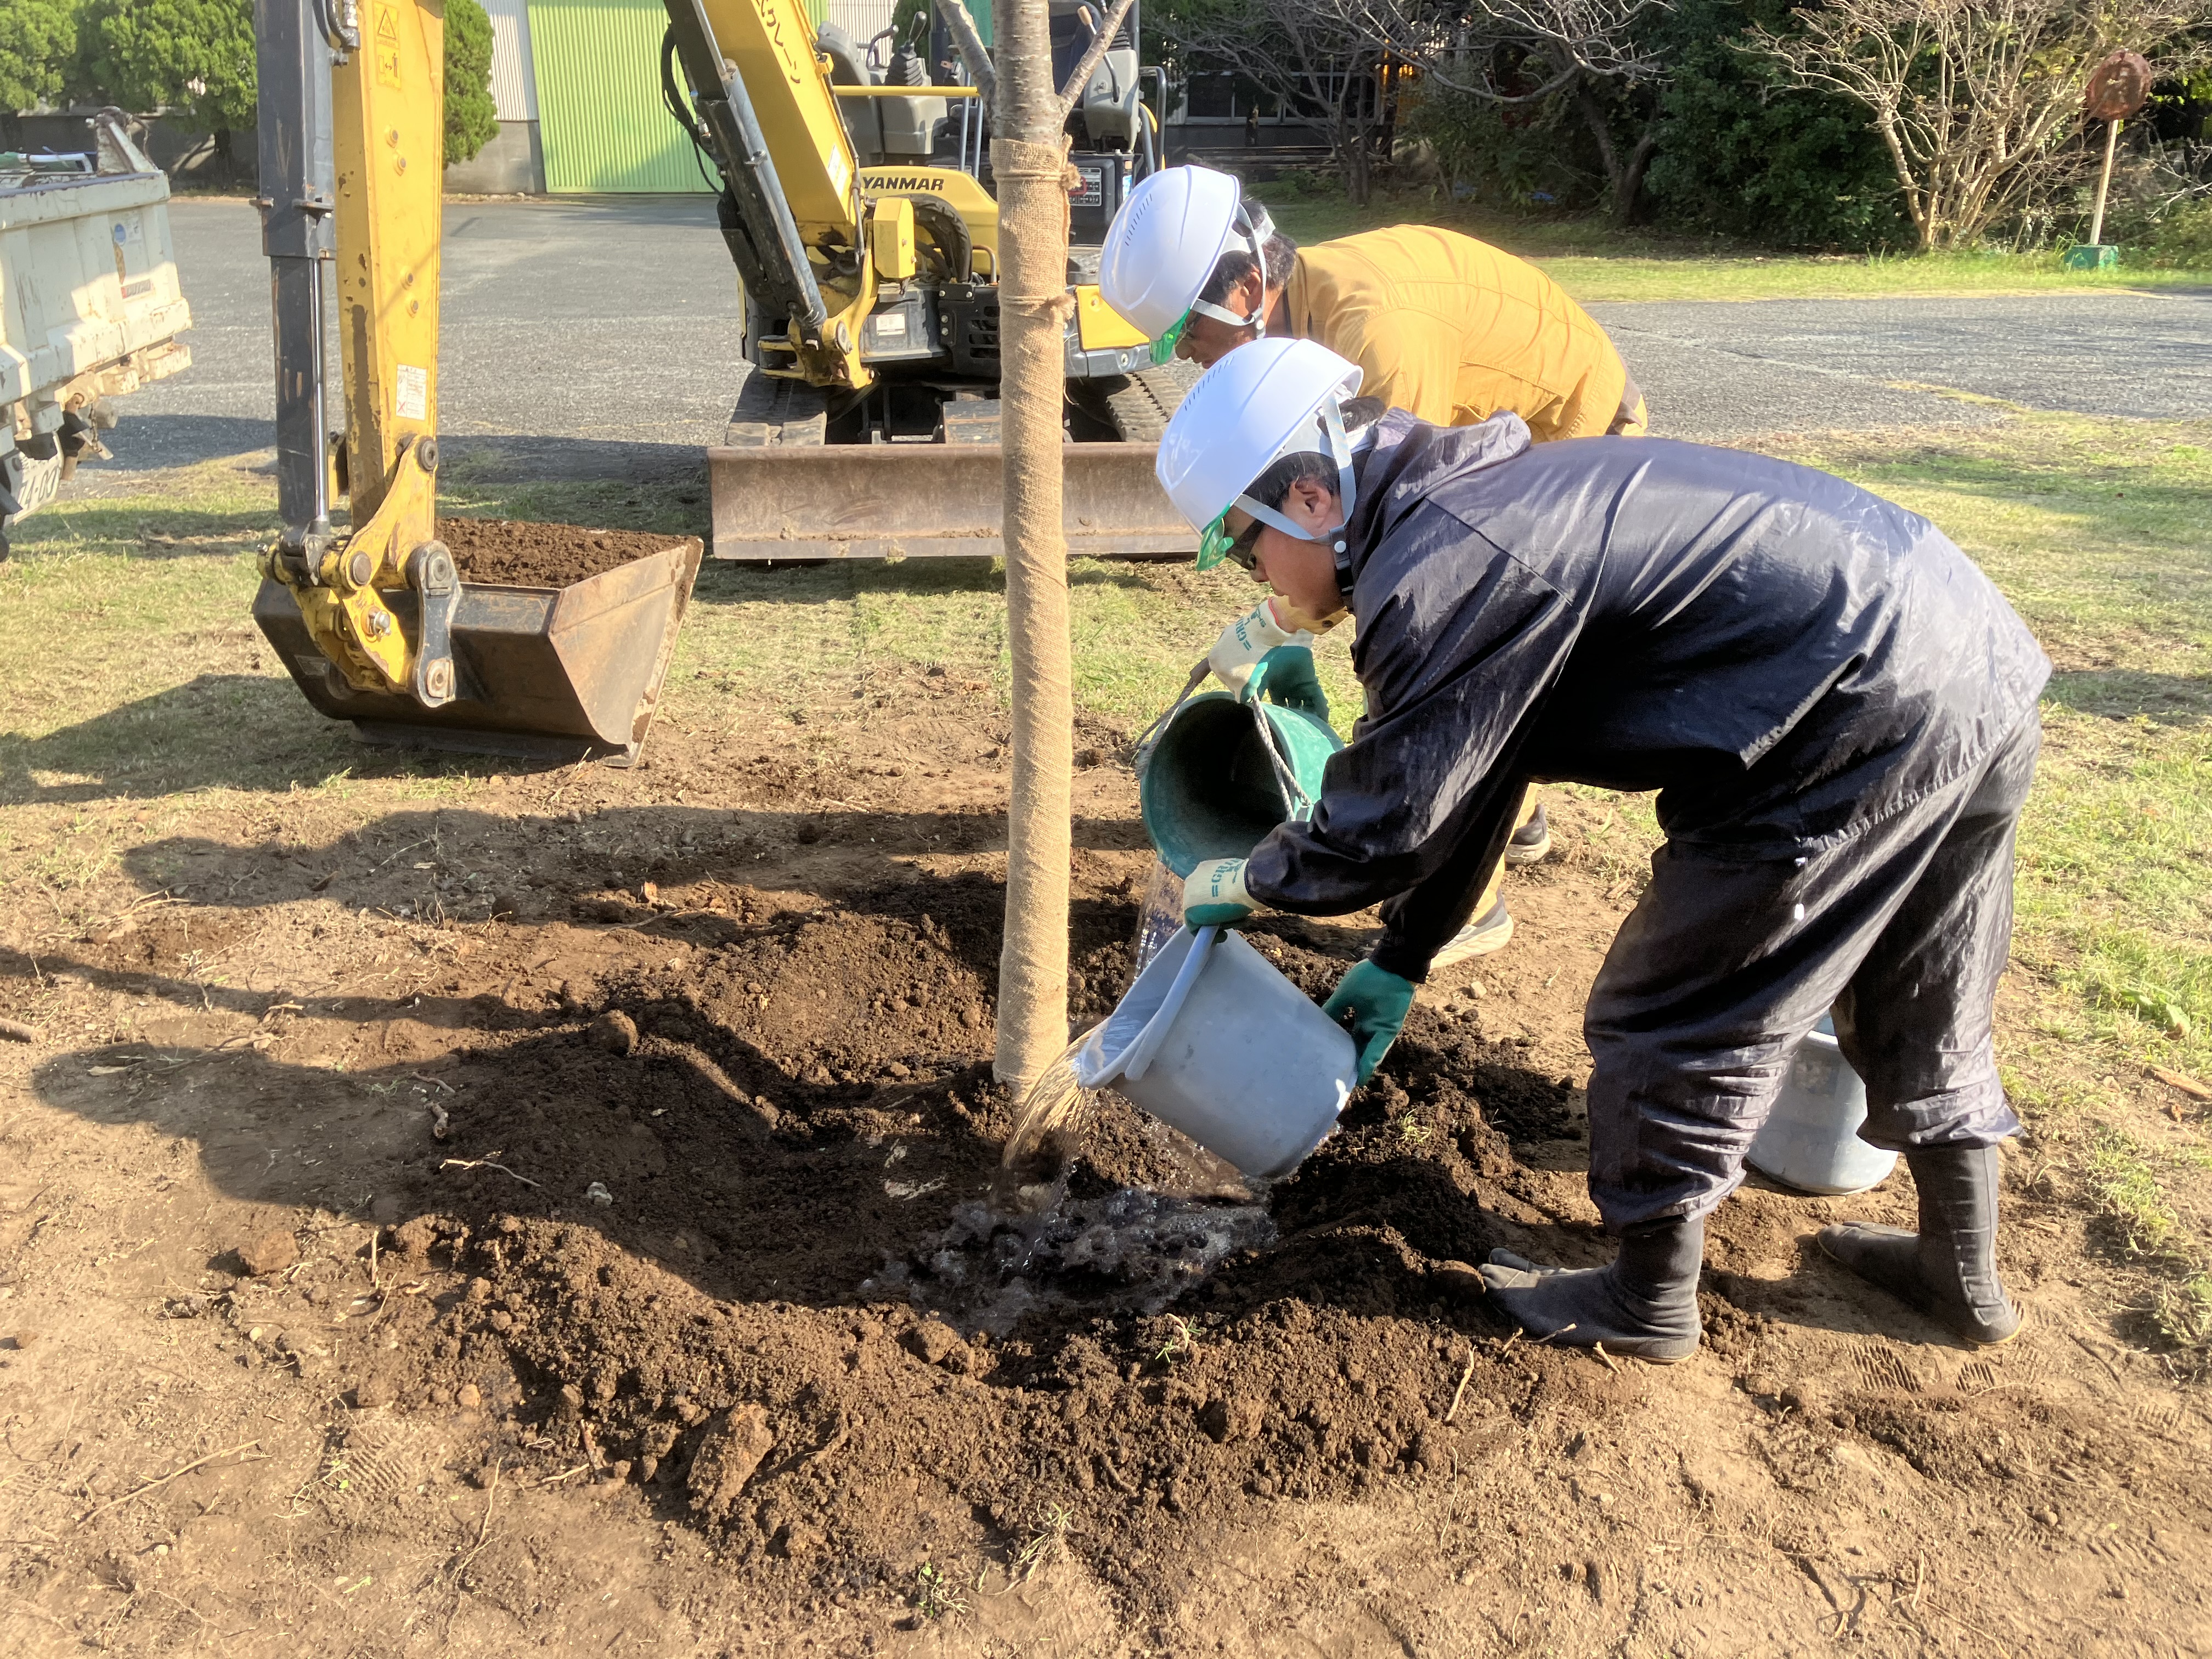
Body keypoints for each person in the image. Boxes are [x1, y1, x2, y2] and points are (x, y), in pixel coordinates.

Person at [1160, 338, 2049, 1364]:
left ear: (1311, 498)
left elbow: (1387, 824)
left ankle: (1647, 1300)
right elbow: (1482, 773)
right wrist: (1404, 954)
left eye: (1242, 544)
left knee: (1670, 1008)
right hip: (1961, 651)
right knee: (1922, 975)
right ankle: (1964, 1274)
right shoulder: (1469, 509)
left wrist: (1250, 875)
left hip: (1847, 712)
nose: (1253, 573)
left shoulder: (1441, 565)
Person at [1102, 163, 1646, 963]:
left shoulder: (1375, 338)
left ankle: (1467, 905)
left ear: (1248, 287)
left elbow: (1402, 549)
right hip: (1505, 457)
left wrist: (1275, 623)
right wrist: (1274, 620)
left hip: (1578, 437)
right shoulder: (1306, 319)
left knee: (1454, 658)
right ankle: (1515, 814)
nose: (1190, 358)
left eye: (1190, 334)